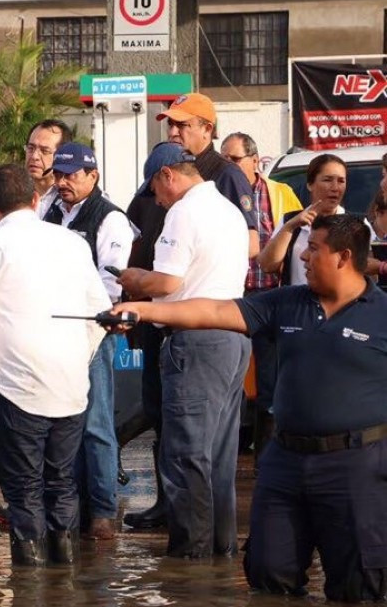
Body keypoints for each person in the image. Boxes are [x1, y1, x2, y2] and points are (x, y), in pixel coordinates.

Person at [111, 213, 387, 602]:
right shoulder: (288, 302)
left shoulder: (381, 314)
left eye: (314, 249)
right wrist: (143, 310)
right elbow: (214, 312)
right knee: (267, 573)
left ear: (343, 257)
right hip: (285, 463)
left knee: (358, 587)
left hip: (356, 466)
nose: (303, 257)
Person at [0, 163, 110, 565]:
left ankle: (32, 583)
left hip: (17, 386)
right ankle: (65, 580)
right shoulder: (72, 244)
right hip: (70, 383)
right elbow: (100, 313)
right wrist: (80, 358)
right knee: (61, 482)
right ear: (36, 199)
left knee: (24, 488)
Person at [117, 143, 252, 558]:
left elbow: (168, 284)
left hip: (195, 344)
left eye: (155, 191)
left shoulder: (183, 211)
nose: (156, 201)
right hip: (232, 339)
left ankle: (191, 563)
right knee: (218, 458)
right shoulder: (228, 209)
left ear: (168, 176)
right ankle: (220, 553)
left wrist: (133, 278)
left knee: (185, 457)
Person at [42, 142, 134, 541]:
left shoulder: (110, 218)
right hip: (53, 332)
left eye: (71, 175)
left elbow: (110, 281)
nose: (62, 182)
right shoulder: (49, 213)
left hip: (92, 333)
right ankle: (71, 505)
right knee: (62, 421)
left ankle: (102, 510)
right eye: (58, 174)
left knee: (96, 423)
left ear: (92, 176)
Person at [220, 132, 302, 459]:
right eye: (223, 159)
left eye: (234, 159)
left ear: (255, 160)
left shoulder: (281, 193)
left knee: (269, 384)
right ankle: (230, 449)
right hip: (233, 300)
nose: (228, 165)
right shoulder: (218, 194)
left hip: (271, 299)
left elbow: (299, 241)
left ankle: (264, 461)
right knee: (229, 380)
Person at [157, 93, 260, 258]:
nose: (172, 132)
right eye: (170, 125)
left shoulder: (227, 174)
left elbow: (251, 245)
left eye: (181, 125)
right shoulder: (166, 170)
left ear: (207, 129)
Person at [258, 154, 349, 287]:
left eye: (341, 181)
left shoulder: (356, 224)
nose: (335, 188)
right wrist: (289, 227)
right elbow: (267, 265)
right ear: (310, 185)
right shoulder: (290, 221)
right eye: (327, 180)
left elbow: (368, 273)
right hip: (297, 305)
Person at [23, 119, 74, 218]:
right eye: (30, 148)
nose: (34, 156)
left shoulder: (74, 198)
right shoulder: (13, 193)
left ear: (63, 155)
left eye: (44, 151)